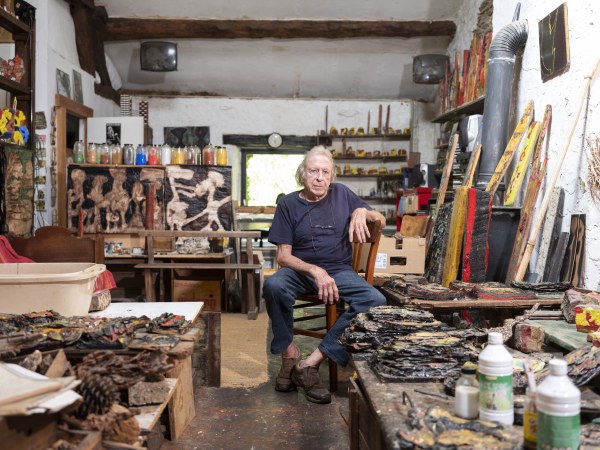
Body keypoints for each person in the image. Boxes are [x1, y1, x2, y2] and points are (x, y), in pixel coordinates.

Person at [263, 145, 386, 404]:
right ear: (303, 174)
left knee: (375, 300)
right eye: (313, 171)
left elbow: (380, 219)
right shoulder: (288, 204)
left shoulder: (342, 194)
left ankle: (309, 364)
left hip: (339, 271)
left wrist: (363, 211)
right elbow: (283, 256)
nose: (320, 177)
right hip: (300, 270)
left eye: (325, 172)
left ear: (331, 176)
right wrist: (314, 269)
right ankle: (289, 355)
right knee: (273, 286)